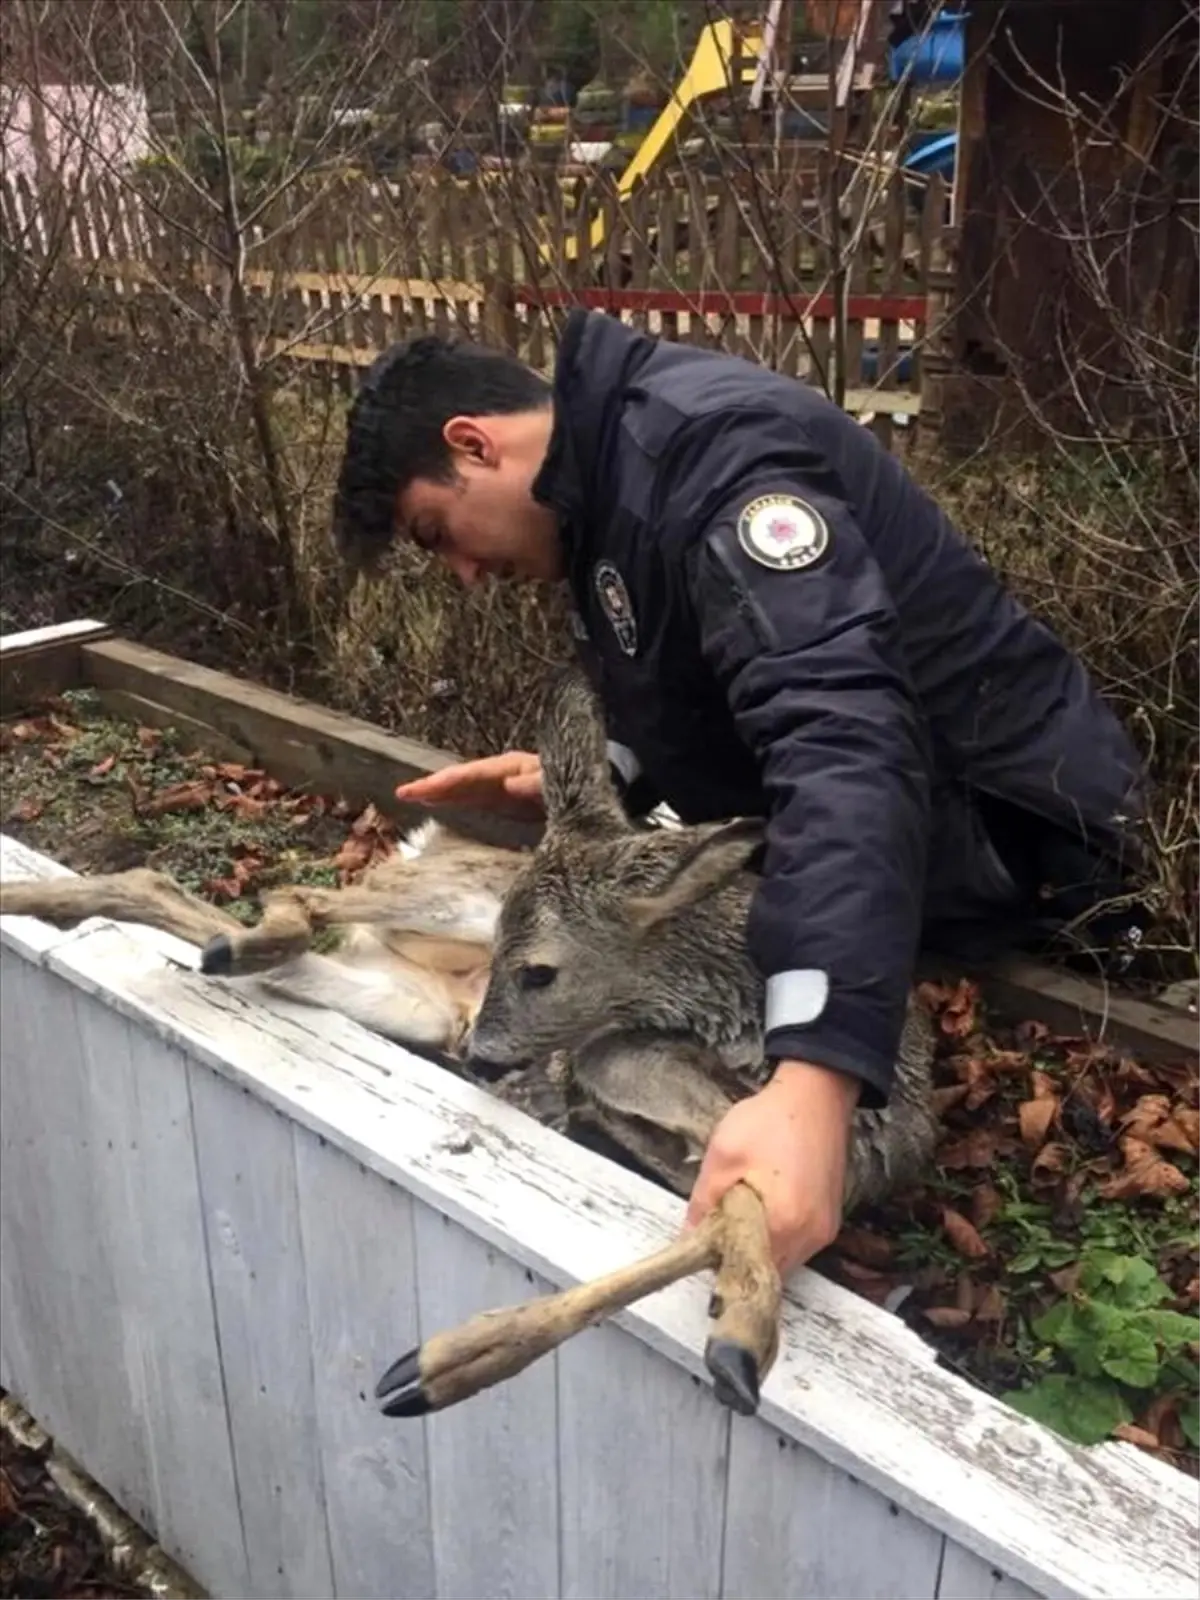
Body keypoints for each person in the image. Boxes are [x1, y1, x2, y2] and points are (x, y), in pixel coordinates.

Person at [331, 308, 1147, 1278]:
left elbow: (841, 743)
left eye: (437, 533)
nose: (464, 574)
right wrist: (591, 781)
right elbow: (703, 695)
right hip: (916, 824)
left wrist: (815, 1082)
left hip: (1016, 843)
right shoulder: (609, 488)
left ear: (473, 442)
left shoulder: (717, 462)